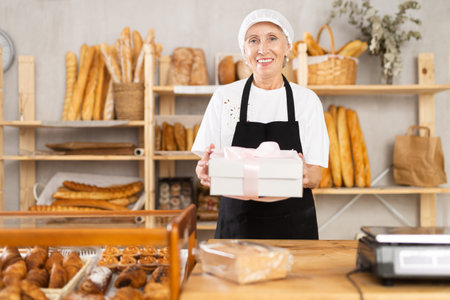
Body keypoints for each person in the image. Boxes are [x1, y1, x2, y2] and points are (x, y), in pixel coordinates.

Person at [192, 9, 329, 239]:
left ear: (288, 47)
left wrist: (303, 174)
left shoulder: (307, 101)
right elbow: (207, 166)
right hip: (237, 225)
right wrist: (204, 172)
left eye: (272, 38)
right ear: (244, 52)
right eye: (253, 40)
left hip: (294, 224)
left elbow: (315, 176)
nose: (262, 49)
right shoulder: (225, 97)